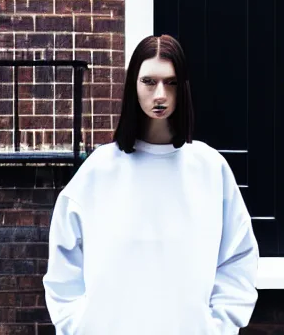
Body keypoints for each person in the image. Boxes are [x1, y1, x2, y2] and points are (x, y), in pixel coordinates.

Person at [42, 34, 259, 335]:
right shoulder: (99, 170)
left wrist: (218, 326)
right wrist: (79, 326)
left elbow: (238, 256)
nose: (160, 94)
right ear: (134, 85)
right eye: (149, 81)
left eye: (170, 82)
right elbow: (64, 262)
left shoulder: (210, 168)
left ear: (182, 88)